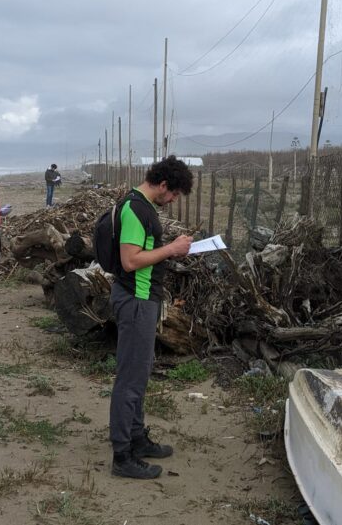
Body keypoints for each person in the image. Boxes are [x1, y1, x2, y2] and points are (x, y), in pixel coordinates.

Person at [109, 155, 194, 479]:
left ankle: (136, 437)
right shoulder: (135, 209)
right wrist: (171, 249)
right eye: (173, 194)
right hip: (135, 301)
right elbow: (130, 261)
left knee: (139, 374)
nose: (173, 201)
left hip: (143, 300)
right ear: (163, 185)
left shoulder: (142, 207)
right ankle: (122, 456)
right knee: (130, 378)